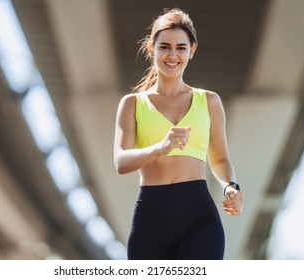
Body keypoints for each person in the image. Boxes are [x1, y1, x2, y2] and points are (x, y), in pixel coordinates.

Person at [113, 8, 244, 260]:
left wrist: (230, 186)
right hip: (150, 218)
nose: (172, 55)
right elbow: (121, 162)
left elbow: (220, 159)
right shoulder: (132, 104)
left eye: (181, 48)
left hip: (199, 219)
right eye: (165, 47)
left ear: (191, 51)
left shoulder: (209, 101)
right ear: (152, 49)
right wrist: (159, 148)